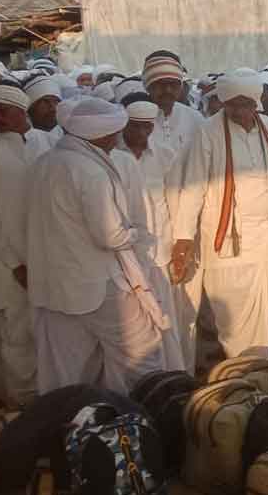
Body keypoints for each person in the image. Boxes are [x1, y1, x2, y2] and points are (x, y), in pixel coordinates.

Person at [27, 98, 169, 394]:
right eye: (114, 133)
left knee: (69, 369)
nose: (118, 139)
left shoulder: (44, 163)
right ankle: (138, 419)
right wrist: (133, 234)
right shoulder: (89, 171)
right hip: (98, 286)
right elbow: (110, 236)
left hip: (55, 287)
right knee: (141, 353)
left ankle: (73, 424)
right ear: (100, 135)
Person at [171, 69, 268, 357]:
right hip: (229, 242)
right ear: (224, 102)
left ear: (257, 103)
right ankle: (242, 373)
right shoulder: (208, 131)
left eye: (246, 104)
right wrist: (183, 237)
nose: (240, 111)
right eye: (234, 104)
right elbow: (193, 187)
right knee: (235, 320)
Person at [0, 85, 50, 403]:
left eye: (1, 110)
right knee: (17, 338)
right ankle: (23, 409)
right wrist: (15, 263)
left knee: (53, 335)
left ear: (20, 111)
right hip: (10, 263)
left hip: (52, 258)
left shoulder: (48, 142)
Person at [118, 93, 190, 370]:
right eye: (134, 125)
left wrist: (179, 245)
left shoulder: (164, 154)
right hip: (126, 254)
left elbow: (176, 200)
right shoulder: (113, 157)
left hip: (160, 249)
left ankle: (173, 374)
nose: (140, 132)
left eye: (146, 126)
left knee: (167, 316)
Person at [143, 52, 204, 156]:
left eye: (173, 84)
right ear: (148, 86)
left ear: (181, 86)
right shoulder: (134, 121)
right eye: (161, 84)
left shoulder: (195, 118)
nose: (167, 90)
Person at [23, 75, 63, 144]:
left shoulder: (68, 136)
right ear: (30, 107)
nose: (53, 108)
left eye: (57, 101)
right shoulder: (21, 139)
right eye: (45, 102)